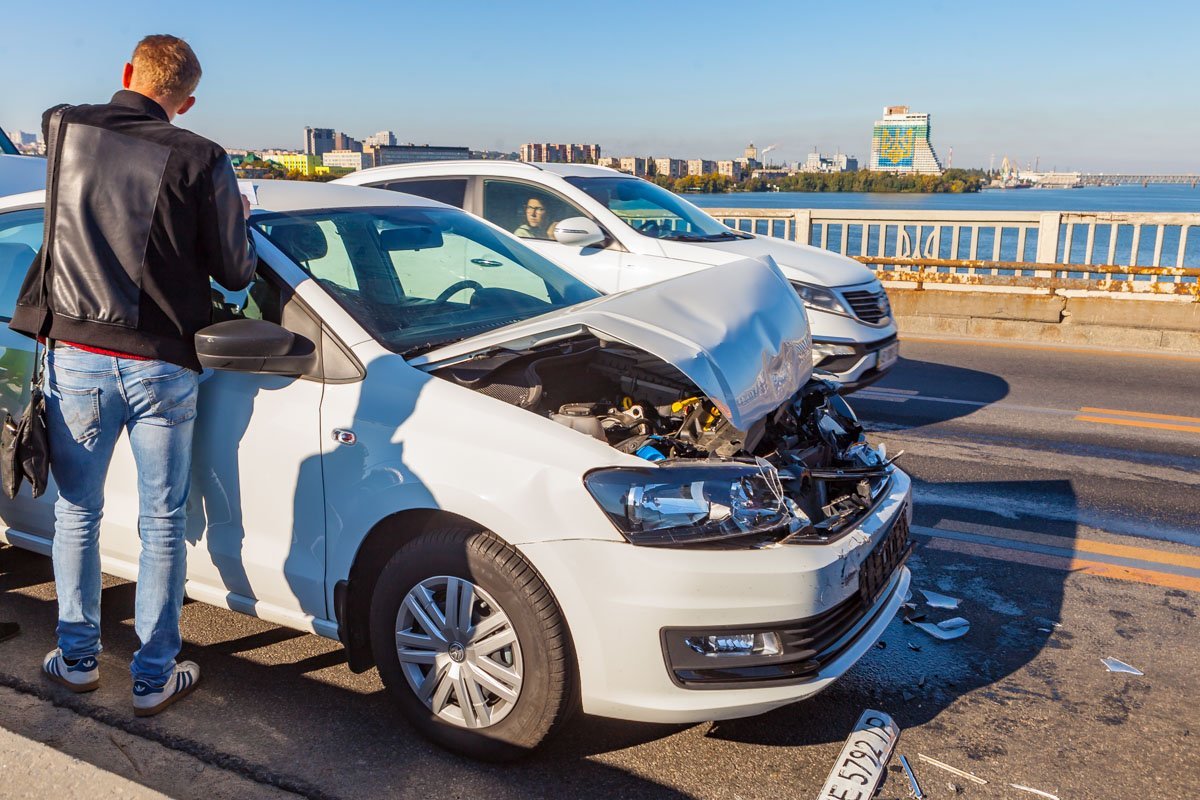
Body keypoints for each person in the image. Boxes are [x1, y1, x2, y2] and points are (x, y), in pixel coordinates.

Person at [9, 35, 256, 715]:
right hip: (160, 364)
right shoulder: (203, 158)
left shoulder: (64, 125)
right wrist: (239, 218)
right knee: (161, 521)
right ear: (188, 101)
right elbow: (236, 271)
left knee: (77, 511)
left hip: (78, 357)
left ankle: (79, 659)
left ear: (128, 73)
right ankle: (153, 676)